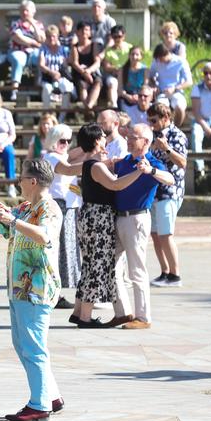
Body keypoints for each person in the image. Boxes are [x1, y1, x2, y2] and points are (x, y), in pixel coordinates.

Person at [0, 159, 64, 421]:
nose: (18, 182)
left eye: (21, 178)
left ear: (33, 181)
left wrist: (13, 221)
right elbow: (3, 228)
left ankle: (40, 404)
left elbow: (44, 236)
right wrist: (1, 217)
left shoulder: (50, 208)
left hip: (36, 288)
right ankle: (50, 395)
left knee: (33, 347)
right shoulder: (25, 207)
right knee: (23, 344)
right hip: (18, 288)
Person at [71, 123, 144, 328]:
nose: (105, 138)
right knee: (97, 264)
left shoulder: (90, 163)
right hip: (99, 218)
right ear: (96, 141)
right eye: (102, 136)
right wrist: (138, 172)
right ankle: (85, 318)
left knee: (89, 264)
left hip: (90, 216)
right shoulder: (96, 166)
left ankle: (78, 312)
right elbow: (115, 184)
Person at [110, 123, 174, 329]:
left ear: (145, 141)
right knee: (110, 266)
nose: (128, 139)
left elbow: (170, 179)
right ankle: (123, 313)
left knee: (136, 270)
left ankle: (143, 317)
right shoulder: (125, 161)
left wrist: (151, 170)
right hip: (118, 218)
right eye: (128, 136)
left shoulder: (152, 161)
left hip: (136, 219)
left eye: (133, 137)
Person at [42, 125, 83, 308]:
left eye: (68, 140)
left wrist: (90, 151)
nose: (65, 144)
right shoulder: (50, 156)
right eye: (62, 141)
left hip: (69, 207)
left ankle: (56, 292)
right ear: (53, 141)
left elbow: (73, 155)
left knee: (66, 251)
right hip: (59, 206)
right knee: (58, 252)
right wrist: (94, 163)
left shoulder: (61, 154)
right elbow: (68, 170)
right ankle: (54, 294)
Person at [147, 102, 187, 288]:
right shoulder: (153, 135)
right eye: (149, 120)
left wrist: (167, 149)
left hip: (170, 191)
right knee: (155, 234)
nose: (151, 124)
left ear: (165, 118)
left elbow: (183, 163)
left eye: (154, 120)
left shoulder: (176, 135)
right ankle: (165, 272)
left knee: (166, 234)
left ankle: (175, 274)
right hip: (155, 191)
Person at [6, 0, 45, 101]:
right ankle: (14, 90)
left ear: (33, 11)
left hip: (34, 52)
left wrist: (33, 24)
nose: (24, 13)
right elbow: (18, 38)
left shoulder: (39, 24)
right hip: (17, 50)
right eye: (22, 10)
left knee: (42, 58)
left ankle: (40, 88)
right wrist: (33, 42)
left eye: (27, 10)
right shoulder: (16, 23)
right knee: (19, 60)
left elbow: (41, 39)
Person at [149, 43, 192, 126]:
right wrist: (154, 85)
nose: (159, 61)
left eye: (161, 59)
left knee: (179, 107)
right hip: (162, 92)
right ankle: (164, 129)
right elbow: (151, 76)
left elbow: (189, 81)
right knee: (160, 110)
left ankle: (177, 127)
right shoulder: (156, 61)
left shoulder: (180, 61)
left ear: (166, 54)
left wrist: (174, 88)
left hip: (177, 91)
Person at [38, 25, 74, 120]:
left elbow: (66, 65)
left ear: (57, 36)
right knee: (47, 89)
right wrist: (51, 72)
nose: (51, 38)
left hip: (61, 76)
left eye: (53, 36)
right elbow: (41, 65)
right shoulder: (43, 49)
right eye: (49, 36)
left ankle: (61, 117)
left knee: (66, 88)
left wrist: (59, 73)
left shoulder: (63, 49)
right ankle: (46, 115)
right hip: (47, 76)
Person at [190, 62, 211, 176]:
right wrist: (205, 126)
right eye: (206, 73)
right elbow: (196, 112)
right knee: (196, 134)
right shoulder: (197, 88)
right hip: (200, 120)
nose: (208, 76)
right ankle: (200, 170)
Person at [70, 21, 102, 112]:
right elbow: (75, 63)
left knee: (98, 82)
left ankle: (89, 106)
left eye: (87, 30)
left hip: (92, 71)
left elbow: (97, 62)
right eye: (82, 30)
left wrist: (88, 71)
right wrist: (84, 73)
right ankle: (88, 109)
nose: (84, 32)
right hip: (79, 73)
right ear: (77, 32)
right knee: (82, 84)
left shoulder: (94, 45)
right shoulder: (75, 47)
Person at [102, 25, 132, 107]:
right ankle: (114, 106)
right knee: (113, 83)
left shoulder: (130, 48)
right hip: (113, 75)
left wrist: (121, 70)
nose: (117, 39)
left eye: (119, 36)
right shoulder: (108, 50)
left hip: (128, 74)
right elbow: (106, 67)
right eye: (114, 37)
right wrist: (117, 69)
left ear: (124, 36)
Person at [118, 46, 148, 111]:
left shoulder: (144, 70)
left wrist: (138, 96)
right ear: (129, 56)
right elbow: (120, 89)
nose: (134, 57)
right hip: (127, 95)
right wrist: (128, 96)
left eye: (137, 55)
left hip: (140, 95)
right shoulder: (122, 70)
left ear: (141, 57)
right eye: (132, 54)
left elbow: (145, 86)